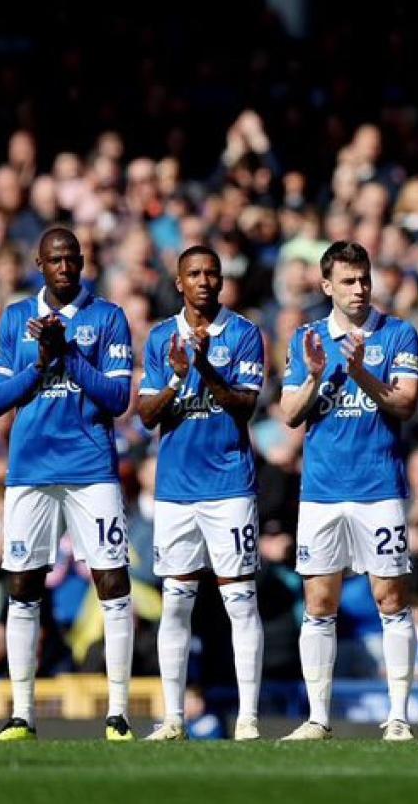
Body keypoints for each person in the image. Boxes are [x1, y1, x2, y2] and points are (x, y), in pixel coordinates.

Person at [0, 227, 136, 741]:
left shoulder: (107, 317)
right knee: (23, 586)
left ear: (83, 262)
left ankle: (118, 713)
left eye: (73, 259)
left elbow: (117, 400)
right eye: (56, 260)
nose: (65, 268)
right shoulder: (14, 319)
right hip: (30, 470)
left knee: (112, 582)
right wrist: (43, 363)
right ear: (39, 264)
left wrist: (67, 355)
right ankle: (21, 714)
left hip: (91, 468)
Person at [276, 241, 418, 741]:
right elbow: (291, 415)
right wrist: (318, 375)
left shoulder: (398, 333)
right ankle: (319, 717)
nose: (359, 289)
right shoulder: (306, 339)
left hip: (379, 488)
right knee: (319, 602)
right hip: (321, 491)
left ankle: (399, 716)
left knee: (391, 598)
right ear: (327, 286)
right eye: (348, 281)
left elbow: (405, 404)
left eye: (364, 279)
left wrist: (360, 371)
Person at [137, 246, 267, 742]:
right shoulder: (159, 338)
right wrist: (176, 374)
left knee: (240, 602)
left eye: (212, 273)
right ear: (179, 282)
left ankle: (249, 718)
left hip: (229, 485)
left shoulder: (244, 333)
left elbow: (245, 406)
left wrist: (206, 367)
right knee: (176, 602)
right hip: (175, 490)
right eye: (195, 274)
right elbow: (148, 415)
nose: (205, 281)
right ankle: (173, 717)